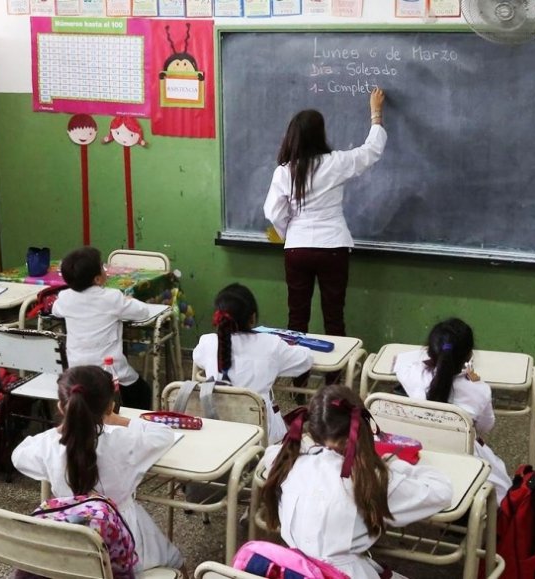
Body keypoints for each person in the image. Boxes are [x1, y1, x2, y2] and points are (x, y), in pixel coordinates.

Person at [260, 384, 453, 579]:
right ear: (361, 427)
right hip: (344, 573)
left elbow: (271, 453)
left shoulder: (289, 462)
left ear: (312, 426)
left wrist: (308, 446)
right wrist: (394, 465)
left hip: (293, 570)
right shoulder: (370, 478)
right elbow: (442, 491)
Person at [263, 88, 387, 384]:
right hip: (333, 247)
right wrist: (376, 114)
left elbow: (272, 212)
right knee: (334, 317)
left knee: (297, 319)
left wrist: (289, 232)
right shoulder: (336, 162)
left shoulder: (285, 171)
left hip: (297, 249)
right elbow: (371, 151)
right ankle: (334, 383)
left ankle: (298, 383)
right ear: (320, 135)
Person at [12, 365, 183, 572]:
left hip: (68, 546)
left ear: (61, 407)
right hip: (123, 542)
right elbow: (163, 434)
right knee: (176, 562)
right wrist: (117, 419)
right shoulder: (123, 440)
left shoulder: (48, 445)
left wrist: (62, 427)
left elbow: (19, 455)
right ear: (110, 406)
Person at [393, 318, 513, 502]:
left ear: (430, 352)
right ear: (469, 355)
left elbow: (400, 362)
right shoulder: (479, 390)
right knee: (501, 480)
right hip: (461, 458)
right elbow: (485, 427)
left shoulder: (414, 375)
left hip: (417, 454)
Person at [192, 283, 312, 443]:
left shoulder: (207, 342)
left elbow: (198, 358)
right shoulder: (271, 344)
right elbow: (305, 360)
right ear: (253, 318)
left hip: (218, 430)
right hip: (262, 436)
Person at [51, 246, 154, 410]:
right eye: (102, 267)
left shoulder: (65, 298)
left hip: (76, 371)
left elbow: (55, 309)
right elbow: (143, 312)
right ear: (98, 279)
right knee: (142, 392)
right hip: (110, 371)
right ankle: (132, 424)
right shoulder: (111, 297)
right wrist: (127, 299)